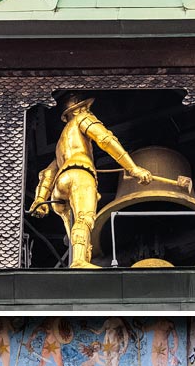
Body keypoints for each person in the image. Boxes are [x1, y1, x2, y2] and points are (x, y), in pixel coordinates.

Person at [28, 93, 153, 268]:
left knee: (76, 231)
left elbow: (47, 173)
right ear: (79, 110)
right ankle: (79, 262)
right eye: (85, 107)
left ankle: (79, 259)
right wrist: (133, 168)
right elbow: (105, 139)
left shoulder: (60, 145)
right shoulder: (83, 119)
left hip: (59, 185)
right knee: (84, 218)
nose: (88, 110)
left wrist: (40, 199)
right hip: (80, 173)